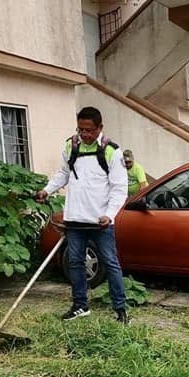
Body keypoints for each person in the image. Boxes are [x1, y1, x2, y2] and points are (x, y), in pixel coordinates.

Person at [35, 106, 130, 324]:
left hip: (101, 222)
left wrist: (109, 214)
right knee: (75, 263)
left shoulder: (111, 151)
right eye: (81, 130)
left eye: (89, 130)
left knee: (111, 263)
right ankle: (80, 306)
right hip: (75, 218)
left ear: (100, 128)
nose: (85, 134)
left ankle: (120, 309)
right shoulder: (71, 146)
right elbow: (64, 174)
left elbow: (119, 188)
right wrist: (47, 190)